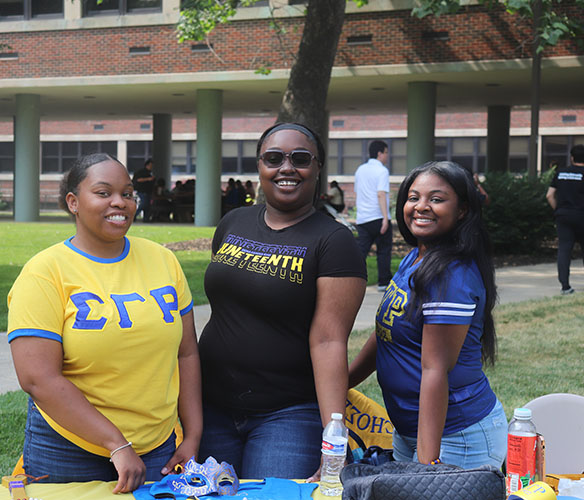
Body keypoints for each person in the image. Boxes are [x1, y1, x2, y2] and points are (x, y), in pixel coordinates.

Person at [7, 153, 202, 493]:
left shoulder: (163, 261)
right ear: (73, 202)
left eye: (127, 193)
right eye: (103, 192)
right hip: (67, 450)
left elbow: (186, 354)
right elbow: (39, 378)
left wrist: (193, 434)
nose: (120, 202)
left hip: (157, 447)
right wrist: (116, 444)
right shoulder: (45, 272)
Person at [198, 123, 367, 480]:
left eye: (300, 159)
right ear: (259, 166)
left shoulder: (335, 242)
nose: (286, 168)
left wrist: (333, 439)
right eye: (273, 158)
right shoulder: (233, 223)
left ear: (318, 168)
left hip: (286, 415)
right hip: (210, 408)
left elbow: (329, 341)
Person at [349, 160, 506, 470]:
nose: (421, 207)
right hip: (412, 431)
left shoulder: (450, 275)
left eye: (436, 198)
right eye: (413, 197)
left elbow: (435, 370)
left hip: (456, 438)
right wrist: (341, 382)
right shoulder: (417, 257)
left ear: (462, 209)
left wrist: (426, 466)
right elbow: (386, 334)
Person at [546, 144, 584, 294]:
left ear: (571, 158)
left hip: (564, 216)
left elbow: (549, 195)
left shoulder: (561, 172)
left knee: (564, 250)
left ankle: (565, 286)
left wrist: (558, 210)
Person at [354, 140, 392, 292]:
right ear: (379, 153)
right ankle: (383, 282)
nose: (387, 156)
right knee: (383, 251)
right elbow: (381, 194)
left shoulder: (360, 170)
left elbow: (357, 192)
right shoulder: (382, 171)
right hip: (378, 217)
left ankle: (353, 279)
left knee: (360, 252)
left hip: (363, 218)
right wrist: (385, 218)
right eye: (386, 152)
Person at [133, 158, 155, 223]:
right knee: (143, 204)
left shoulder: (150, 173)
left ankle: (146, 218)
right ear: (147, 165)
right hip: (142, 191)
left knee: (148, 206)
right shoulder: (141, 172)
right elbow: (138, 180)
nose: (151, 167)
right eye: (150, 165)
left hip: (148, 191)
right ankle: (134, 216)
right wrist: (148, 179)